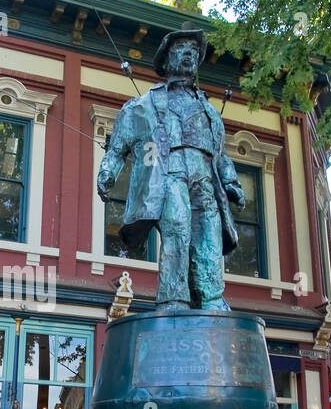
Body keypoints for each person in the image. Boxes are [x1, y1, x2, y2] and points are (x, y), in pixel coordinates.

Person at [96, 27, 245, 312]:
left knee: (208, 235)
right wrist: (108, 172)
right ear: (166, 60)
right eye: (181, 49)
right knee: (177, 228)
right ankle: (174, 299)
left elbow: (221, 155)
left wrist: (231, 183)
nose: (189, 54)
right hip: (169, 175)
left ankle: (211, 298)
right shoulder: (142, 106)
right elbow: (118, 146)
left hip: (204, 178)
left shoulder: (209, 111)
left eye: (194, 51)